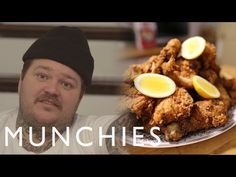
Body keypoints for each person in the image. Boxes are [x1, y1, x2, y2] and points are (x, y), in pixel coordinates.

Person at [0, 26, 120, 154]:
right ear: (21, 81)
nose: (52, 90)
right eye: (43, 76)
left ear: (80, 96)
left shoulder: (91, 135)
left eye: (66, 84)